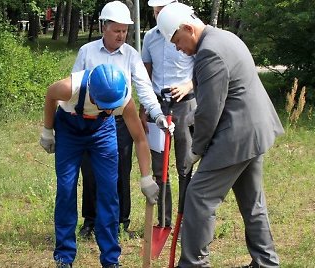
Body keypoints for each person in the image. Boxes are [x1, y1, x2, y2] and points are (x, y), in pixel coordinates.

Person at [156, 3, 284, 267]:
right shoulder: (225, 37)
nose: (178, 48)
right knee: (252, 202)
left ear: (189, 29)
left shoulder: (209, 52)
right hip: (254, 130)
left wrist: (196, 149)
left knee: (199, 197)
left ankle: (193, 264)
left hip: (237, 134)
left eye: (178, 41)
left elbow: (211, 109)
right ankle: (266, 262)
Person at [39, 64, 159, 268]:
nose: (109, 109)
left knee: (109, 192)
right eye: (104, 105)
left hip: (102, 133)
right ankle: (64, 257)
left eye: (112, 106)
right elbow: (50, 95)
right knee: (66, 189)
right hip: (69, 130)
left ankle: (111, 259)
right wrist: (47, 131)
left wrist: (146, 178)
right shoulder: (70, 88)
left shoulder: (123, 99)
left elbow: (139, 139)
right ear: (92, 92)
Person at [72, 0, 170, 239]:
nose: (121, 35)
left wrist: (156, 114)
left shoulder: (131, 55)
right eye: (116, 30)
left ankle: (120, 220)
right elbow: (75, 86)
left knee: (120, 171)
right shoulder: (87, 52)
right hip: (90, 120)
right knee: (91, 172)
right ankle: (91, 221)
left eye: (125, 31)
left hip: (119, 122)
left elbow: (144, 87)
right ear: (104, 27)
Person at [142, 0, 196, 229]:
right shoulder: (150, 37)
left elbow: (203, 70)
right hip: (158, 106)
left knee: (185, 166)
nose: (158, 16)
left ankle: (185, 221)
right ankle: (164, 221)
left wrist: (188, 86)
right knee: (159, 168)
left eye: (162, 11)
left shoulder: (189, 33)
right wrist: (146, 106)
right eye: (155, 12)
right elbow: (145, 74)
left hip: (184, 105)